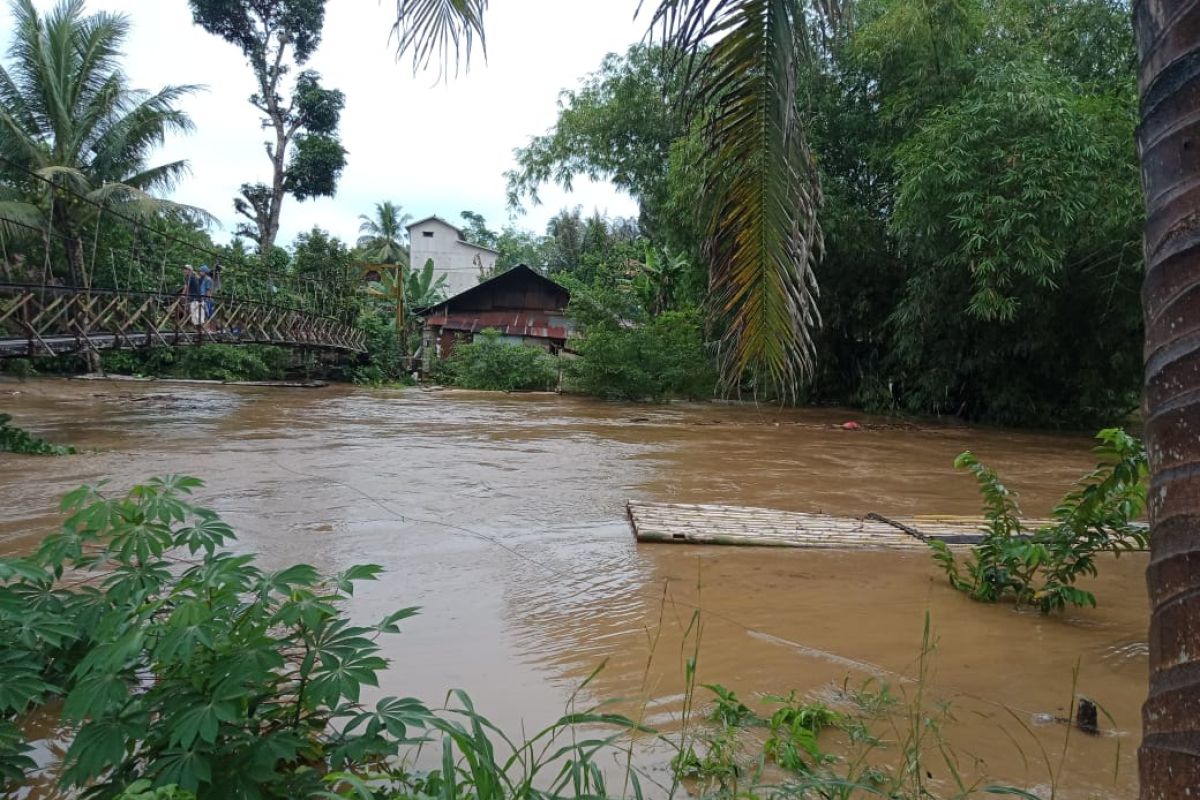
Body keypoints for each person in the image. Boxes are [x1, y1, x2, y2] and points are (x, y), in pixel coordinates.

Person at [198, 265, 215, 332]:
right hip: (203, 298)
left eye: (201, 271)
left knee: (207, 314)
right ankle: (205, 328)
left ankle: (208, 329)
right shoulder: (203, 279)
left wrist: (206, 298)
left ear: (204, 272)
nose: (200, 272)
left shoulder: (208, 279)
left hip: (206, 299)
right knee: (203, 314)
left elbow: (208, 290)